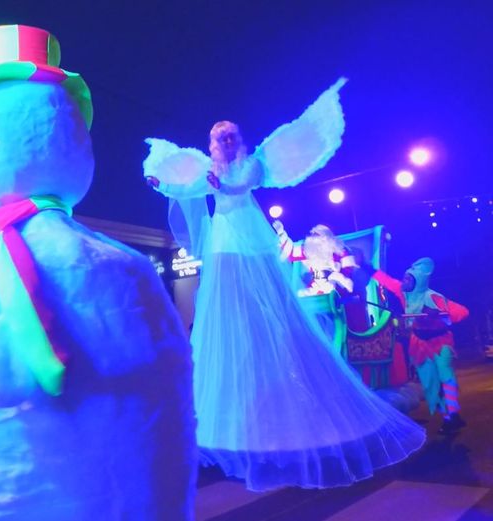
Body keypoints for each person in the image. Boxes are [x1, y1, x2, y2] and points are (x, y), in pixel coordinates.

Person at [143, 79, 425, 491]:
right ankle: (223, 419)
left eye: (230, 137)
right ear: (212, 144)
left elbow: (240, 187)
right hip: (224, 243)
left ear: (237, 140)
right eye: (219, 139)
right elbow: (187, 186)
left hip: (249, 237)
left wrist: (225, 185)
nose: (225, 143)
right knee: (224, 311)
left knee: (269, 305)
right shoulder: (210, 172)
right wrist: (163, 184)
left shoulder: (251, 164)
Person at [373, 258, 469, 433]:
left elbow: (461, 312)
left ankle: (452, 415)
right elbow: (386, 280)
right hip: (420, 344)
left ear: (418, 281)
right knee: (430, 383)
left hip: (440, 343)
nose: (404, 281)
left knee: (445, 377)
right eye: (404, 278)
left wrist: (438, 315)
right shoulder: (404, 294)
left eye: (408, 279)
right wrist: (365, 266)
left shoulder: (432, 297)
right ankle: (448, 416)